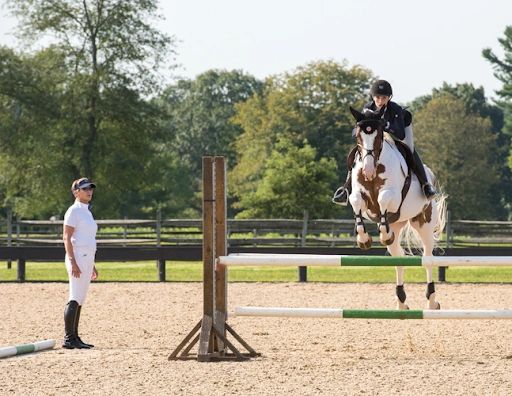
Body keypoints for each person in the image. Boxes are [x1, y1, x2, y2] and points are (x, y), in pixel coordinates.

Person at [332, 79, 437, 205]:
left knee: (410, 150)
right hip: (377, 137)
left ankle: (426, 185)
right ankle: (346, 189)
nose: (380, 101)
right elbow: (356, 131)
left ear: (389, 97)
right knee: (356, 154)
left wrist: (386, 125)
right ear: (373, 96)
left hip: (399, 131)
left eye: (384, 97)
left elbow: (400, 134)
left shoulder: (396, 110)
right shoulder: (367, 108)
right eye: (377, 97)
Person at [62, 177, 98, 349]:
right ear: (76, 192)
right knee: (75, 297)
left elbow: (88, 238)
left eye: (90, 188)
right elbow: (67, 237)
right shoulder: (73, 211)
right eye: (85, 189)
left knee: (81, 299)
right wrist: (72, 261)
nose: (89, 191)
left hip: (87, 258)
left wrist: (93, 264)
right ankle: (69, 338)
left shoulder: (87, 211)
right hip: (77, 257)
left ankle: (75, 337)